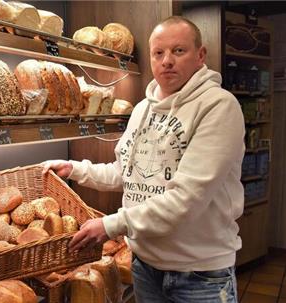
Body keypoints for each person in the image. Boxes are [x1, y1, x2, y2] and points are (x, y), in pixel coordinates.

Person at [43, 16, 244, 302]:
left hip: (198, 274)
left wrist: (110, 225)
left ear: (200, 56)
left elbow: (186, 199)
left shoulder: (219, 107)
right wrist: (74, 169)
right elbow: (125, 173)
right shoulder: (141, 110)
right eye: (158, 53)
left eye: (178, 51)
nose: (167, 61)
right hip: (145, 266)